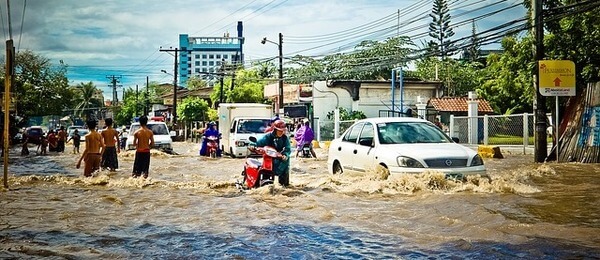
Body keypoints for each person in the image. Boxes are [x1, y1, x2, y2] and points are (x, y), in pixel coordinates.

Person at [252, 119, 291, 186]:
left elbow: (288, 149)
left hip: (280, 158)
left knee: (285, 183)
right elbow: (258, 143)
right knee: (266, 172)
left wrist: (285, 155)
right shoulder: (267, 137)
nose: (281, 132)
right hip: (269, 157)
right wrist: (253, 146)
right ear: (275, 129)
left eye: (283, 131)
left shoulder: (285, 138)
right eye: (280, 131)